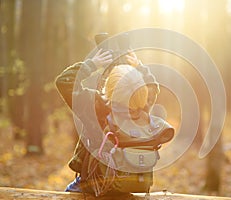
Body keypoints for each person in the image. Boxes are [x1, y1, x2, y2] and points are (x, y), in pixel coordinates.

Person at [55, 46, 174, 197]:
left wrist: (92, 64)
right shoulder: (143, 109)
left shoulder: (95, 108)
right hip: (130, 183)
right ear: (141, 90)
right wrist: (139, 67)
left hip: (94, 185)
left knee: (70, 193)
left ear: (109, 87)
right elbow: (152, 88)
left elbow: (64, 81)